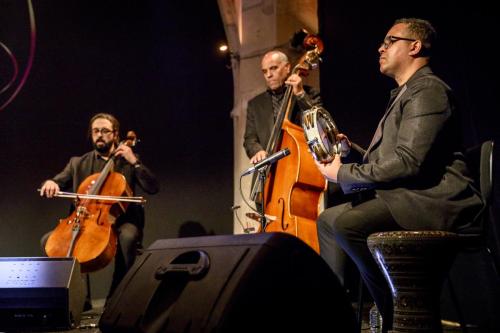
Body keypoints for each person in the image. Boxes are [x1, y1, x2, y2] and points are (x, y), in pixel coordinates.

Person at [314, 18, 482, 332]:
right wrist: (354, 153)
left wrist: (343, 173)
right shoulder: (406, 94)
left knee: (349, 223)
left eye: (389, 41)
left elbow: (410, 162)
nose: (381, 47)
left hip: (433, 199)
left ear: (415, 46)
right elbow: (395, 159)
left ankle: (396, 309)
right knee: (328, 219)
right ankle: (336, 309)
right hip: (409, 194)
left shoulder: (428, 89)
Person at [242, 49, 349, 285]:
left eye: (273, 69)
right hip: (267, 180)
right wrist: (257, 150)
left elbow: (323, 125)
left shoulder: (309, 94)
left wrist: (299, 94)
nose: (268, 75)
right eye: (264, 71)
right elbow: (249, 138)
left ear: (287, 67)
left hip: (292, 180)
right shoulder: (256, 104)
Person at [39, 113, 159, 301]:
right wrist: (51, 183)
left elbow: (152, 187)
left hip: (121, 220)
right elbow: (58, 181)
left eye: (105, 131)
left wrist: (134, 161)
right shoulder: (77, 162)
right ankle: (79, 300)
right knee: (49, 240)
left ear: (115, 134)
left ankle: (116, 297)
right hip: (84, 219)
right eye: (96, 131)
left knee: (128, 237)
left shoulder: (128, 161)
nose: (100, 135)